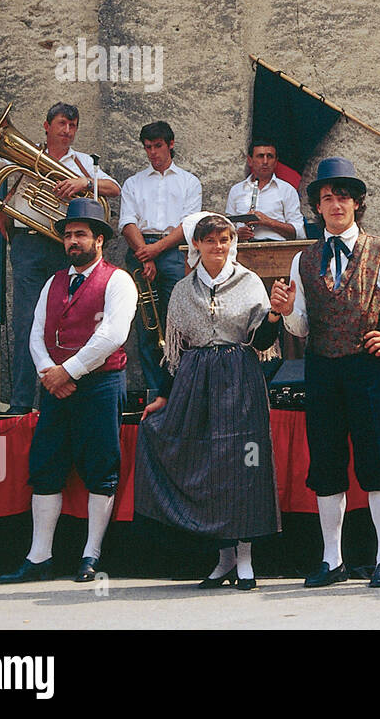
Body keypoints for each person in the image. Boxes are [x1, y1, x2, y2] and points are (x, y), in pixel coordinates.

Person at [271, 157, 380, 588]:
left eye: (343, 196)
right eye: (327, 197)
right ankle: (333, 559)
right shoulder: (303, 260)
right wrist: (289, 313)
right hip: (322, 369)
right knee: (326, 463)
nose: (335, 204)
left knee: (379, 461)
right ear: (318, 207)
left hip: (368, 369)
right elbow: (302, 327)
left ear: (357, 202)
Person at [134, 212, 282, 591]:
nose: (219, 247)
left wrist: (275, 316)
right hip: (195, 382)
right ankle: (224, 559)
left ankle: (246, 560)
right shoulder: (183, 290)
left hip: (240, 378)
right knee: (212, 467)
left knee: (246, 464)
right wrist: (164, 396)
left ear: (233, 243)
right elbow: (176, 352)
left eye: (225, 240)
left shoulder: (250, 283)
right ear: (196, 246)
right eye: (211, 240)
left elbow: (263, 343)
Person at [0, 198, 138, 584]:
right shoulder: (53, 282)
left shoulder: (118, 280)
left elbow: (112, 334)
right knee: (46, 467)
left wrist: (67, 371)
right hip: (57, 387)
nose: (73, 241)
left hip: (101, 384)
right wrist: (48, 372)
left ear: (99, 240)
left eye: (81, 234)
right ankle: (39, 557)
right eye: (68, 235)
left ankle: (90, 556)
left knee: (100, 468)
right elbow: (36, 332)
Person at [0, 103, 120, 415]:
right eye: (62, 124)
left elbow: (114, 188)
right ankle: (23, 402)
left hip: (64, 248)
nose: (67, 131)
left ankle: (59, 396)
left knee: (64, 322)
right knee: (26, 322)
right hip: (27, 245)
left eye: (73, 126)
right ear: (47, 125)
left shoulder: (82, 162)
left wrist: (84, 183)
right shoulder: (18, 153)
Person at [118, 121, 203, 398]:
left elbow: (188, 225)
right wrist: (145, 254)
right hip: (140, 250)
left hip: (174, 252)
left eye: (157, 146)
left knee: (176, 323)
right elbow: (127, 222)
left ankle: (179, 391)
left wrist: (156, 252)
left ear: (171, 144)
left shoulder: (189, 182)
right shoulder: (133, 183)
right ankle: (156, 391)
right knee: (147, 327)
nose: (152, 153)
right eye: (147, 148)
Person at [225, 139, 305, 242]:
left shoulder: (287, 190)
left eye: (270, 156)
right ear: (250, 160)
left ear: (276, 162)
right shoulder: (236, 190)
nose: (265, 162)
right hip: (244, 251)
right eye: (260, 156)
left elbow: (299, 233)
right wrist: (236, 235)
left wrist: (268, 222)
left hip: (278, 250)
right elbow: (226, 228)